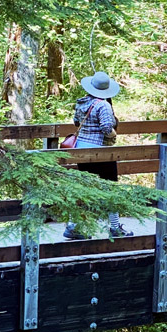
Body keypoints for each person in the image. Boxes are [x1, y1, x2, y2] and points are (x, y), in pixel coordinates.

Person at [64, 71, 134, 240]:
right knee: (111, 189)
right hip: (100, 152)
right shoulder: (103, 105)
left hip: (81, 150)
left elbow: (75, 122)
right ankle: (115, 227)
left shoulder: (81, 103)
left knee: (84, 188)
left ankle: (73, 226)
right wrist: (113, 134)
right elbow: (106, 128)